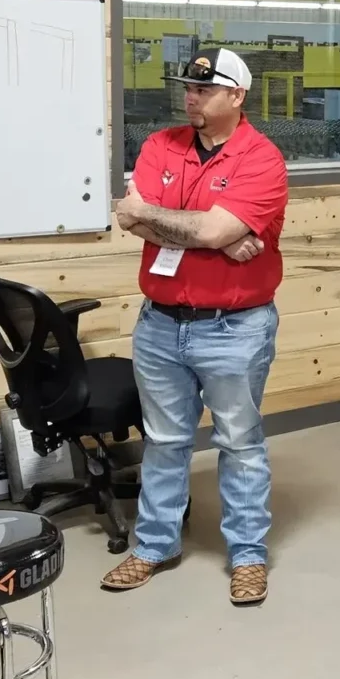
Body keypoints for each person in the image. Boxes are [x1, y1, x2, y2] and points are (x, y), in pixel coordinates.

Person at [101, 48, 288, 606]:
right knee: (163, 441)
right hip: (160, 324)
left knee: (240, 443)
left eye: (204, 90)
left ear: (237, 96)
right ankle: (154, 546)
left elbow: (174, 223)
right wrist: (216, 235)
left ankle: (248, 556)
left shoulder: (262, 158)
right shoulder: (162, 145)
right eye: (187, 87)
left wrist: (183, 224)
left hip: (235, 327)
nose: (190, 97)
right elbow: (132, 218)